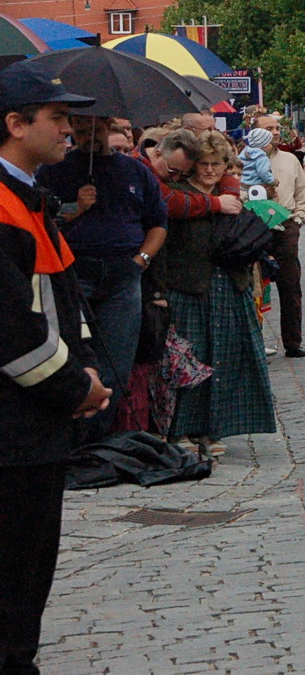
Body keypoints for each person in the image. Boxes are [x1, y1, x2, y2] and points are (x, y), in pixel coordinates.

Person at [0, 62, 112, 675]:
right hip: (15, 426)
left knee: (29, 567)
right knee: (16, 569)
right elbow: (12, 332)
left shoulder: (27, 199)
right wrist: (77, 387)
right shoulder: (5, 204)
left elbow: (66, 304)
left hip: (35, 422)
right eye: (59, 118)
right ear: (15, 125)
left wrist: (88, 369)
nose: (71, 130)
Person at [34, 113, 165, 436]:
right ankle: (70, 440)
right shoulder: (54, 170)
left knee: (117, 361)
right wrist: (73, 207)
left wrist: (141, 260)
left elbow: (158, 222)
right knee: (73, 355)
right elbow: (40, 222)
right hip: (74, 271)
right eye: (79, 130)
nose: (87, 136)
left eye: (94, 128)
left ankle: (96, 441)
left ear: (108, 127)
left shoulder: (135, 171)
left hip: (124, 273)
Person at [159, 132, 275, 457]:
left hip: (228, 287)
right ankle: (180, 429)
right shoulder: (180, 195)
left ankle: (214, 430)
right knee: (188, 361)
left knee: (225, 360)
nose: (209, 170)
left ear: (225, 166)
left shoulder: (232, 195)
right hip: (188, 289)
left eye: (216, 164)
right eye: (203, 164)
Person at [251, 113, 305, 359]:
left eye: (276, 128)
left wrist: (297, 219)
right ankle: (256, 340)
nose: (275, 132)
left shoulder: (289, 159)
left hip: (285, 226)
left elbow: (301, 193)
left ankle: (293, 342)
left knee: (290, 286)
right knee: (255, 287)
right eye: (268, 128)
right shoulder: (243, 161)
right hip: (254, 227)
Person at [237, 128, 275, 198]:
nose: (272, 146)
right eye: (270, 143)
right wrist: (272, 181)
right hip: (258, 189)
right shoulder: (262, 157)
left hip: (242, 186)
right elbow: (263, 172)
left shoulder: (244, 152)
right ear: (263, 144)